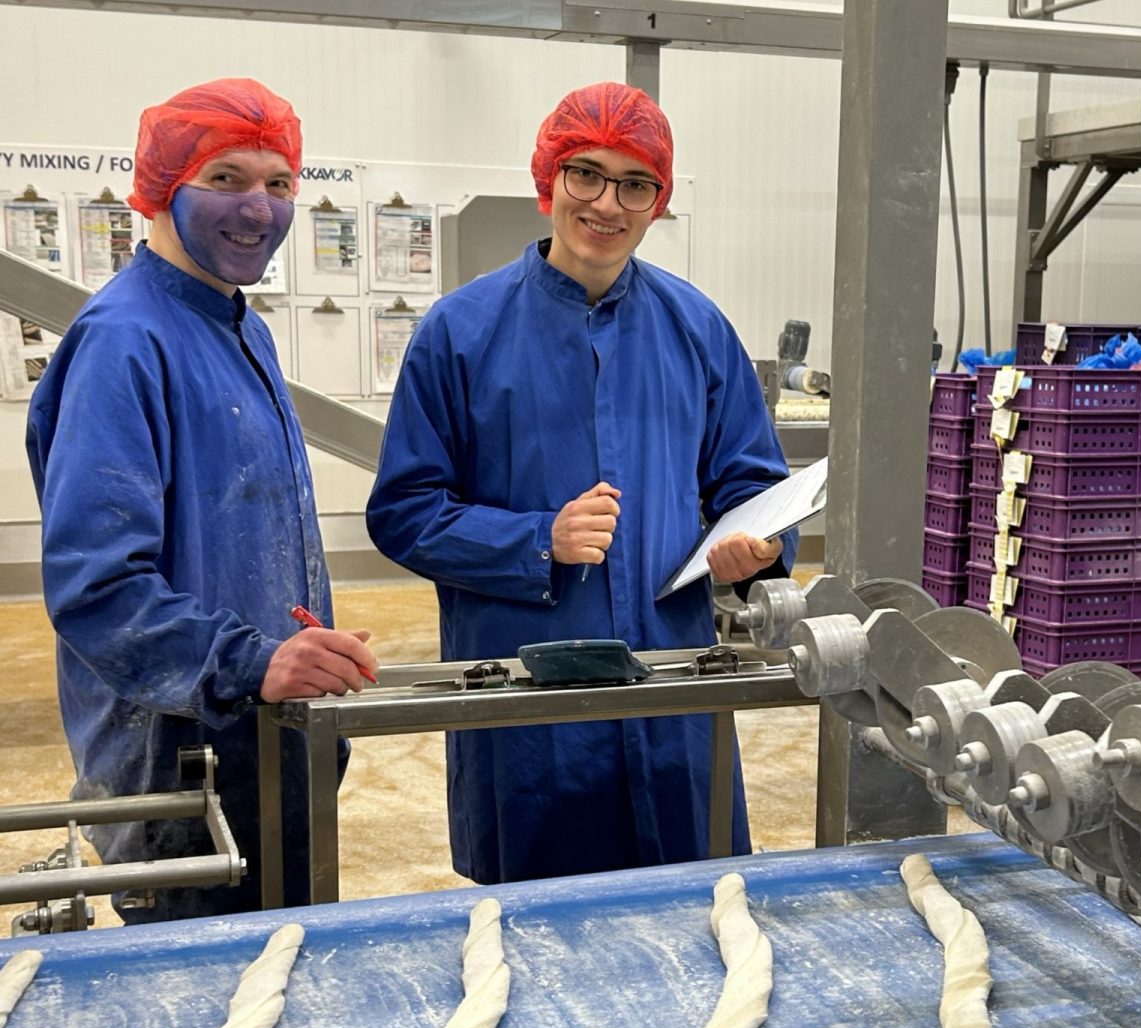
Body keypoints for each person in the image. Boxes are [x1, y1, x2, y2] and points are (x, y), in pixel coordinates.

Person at [366, 81, 795, 886]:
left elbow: (752, 480)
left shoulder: (697, 329)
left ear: (657, 201)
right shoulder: (459, 333)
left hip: (673, 683)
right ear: (548, 180)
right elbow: (404, 512)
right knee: (535, 930)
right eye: (586, 174)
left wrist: (755, 549)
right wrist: (537, 541)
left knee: (697, 910)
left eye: (636, 184)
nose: (607, 203)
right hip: (526, 692)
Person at [27, 78, 378, 923]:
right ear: (159, 187)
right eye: (226, 179)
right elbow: (98, 589)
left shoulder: (239, 327)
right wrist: (251, 662)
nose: (258, 208)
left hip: (265, 741)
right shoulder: (125, 342)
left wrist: (298, 654)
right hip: (180, 767)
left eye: (280, 184)